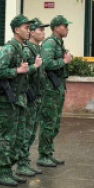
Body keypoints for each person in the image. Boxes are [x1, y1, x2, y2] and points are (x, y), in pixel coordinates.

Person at [0, 15, 34, 187]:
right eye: (26, 27)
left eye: (29, 28)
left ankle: (9, 169)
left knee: (17, 136)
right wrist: (17, 70)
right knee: (7, 137)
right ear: (17, 30)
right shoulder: (9, 49)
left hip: (20, 99)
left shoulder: (21, 49)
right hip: (9, 100)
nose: (29, 30)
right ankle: (3, 172)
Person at [37, 15, 73, 167]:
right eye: (65, 26)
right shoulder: (50, 43)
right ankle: (43, 155)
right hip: (49, 89)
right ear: (57, 28)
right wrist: (64, 61)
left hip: (57, 87)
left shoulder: (59, 43)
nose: (67, 29)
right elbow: (46, 63)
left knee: (55, 123)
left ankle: (48, 152)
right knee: (48, 122)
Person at [16, 22, 46, 176]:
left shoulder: (38, 49)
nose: (43, 32)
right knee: (25, 133)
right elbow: (24, 73)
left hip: (37, 96)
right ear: (32, 33)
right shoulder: (27, 50)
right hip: (29, 97)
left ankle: (25, 161)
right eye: (40, 30)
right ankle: (21, 163)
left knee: (32, 132)